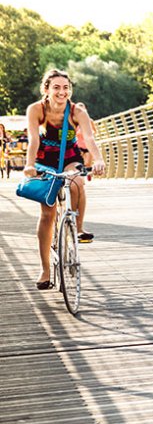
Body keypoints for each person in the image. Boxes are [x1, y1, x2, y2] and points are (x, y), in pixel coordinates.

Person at [23, 69, 106, 290]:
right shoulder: (36, 110)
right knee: (47, 213)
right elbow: (33, 139)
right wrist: (30, 165)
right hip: (44, 161)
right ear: (47, 89)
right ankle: (45, 269)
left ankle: (78, 228)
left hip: (70, 157)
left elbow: (89, 138)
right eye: (57, 87)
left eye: (66, 87)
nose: (62, 92)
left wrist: (98, 160)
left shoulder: (77, 111)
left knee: (77, 182)